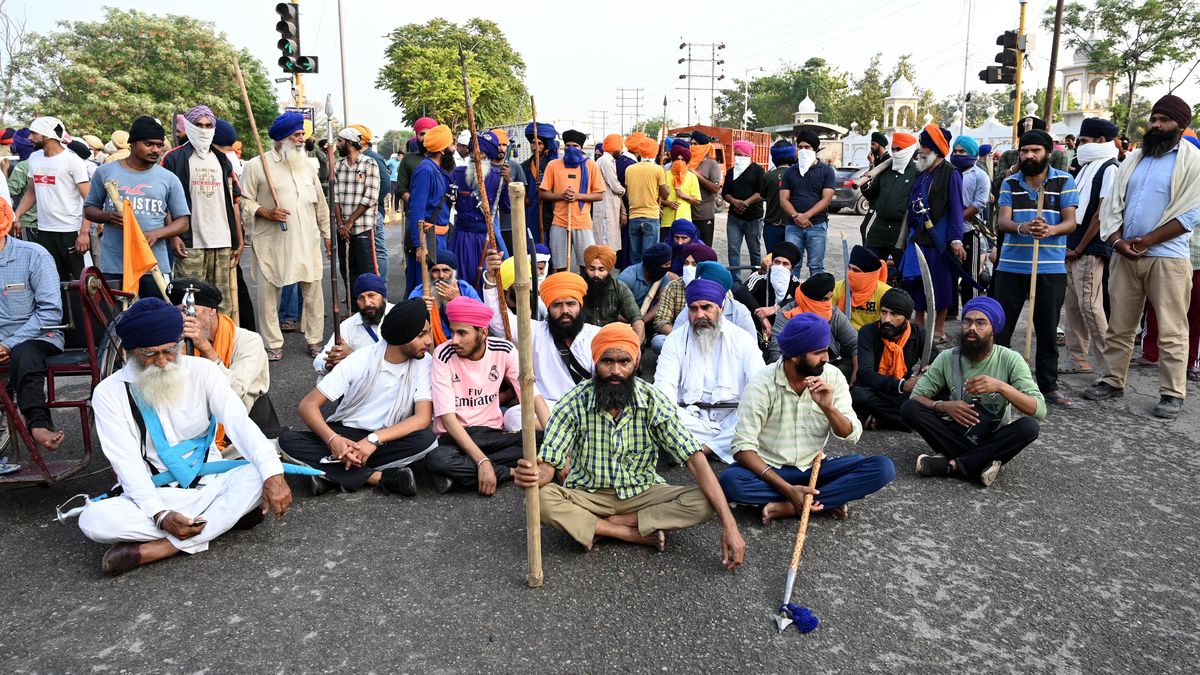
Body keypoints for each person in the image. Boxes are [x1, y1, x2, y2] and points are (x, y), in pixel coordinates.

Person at [77, 298, 293, 575]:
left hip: (212, 485)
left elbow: (240, 424)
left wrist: (273, 475)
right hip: (156, 495)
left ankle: (159, 549)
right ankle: (219, 523)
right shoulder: (108, 393)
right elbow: (126, 464)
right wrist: (161, 515)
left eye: (169, 350)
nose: (163, 362)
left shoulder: (203, 372)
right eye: (150, 354)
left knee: (258, 474)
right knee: (94, 520)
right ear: (129, 351)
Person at [513, 322, 745, 566]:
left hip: (641, 492)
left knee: (709, 501)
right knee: (537, 498)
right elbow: (551, 462)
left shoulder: (653, 400)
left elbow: (694, 459)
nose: (615, 371)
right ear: (595, 362)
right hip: (587, 493)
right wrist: (533, 476)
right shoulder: (573, 401)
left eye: (623, 362)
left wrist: (730, 525)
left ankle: (609, 524)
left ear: (635, 363)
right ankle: (627, 532)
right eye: (607, 362)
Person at [1084, 95, 1200, 419]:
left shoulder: (1193, 161)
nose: (1156, 125)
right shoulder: (1135, 158)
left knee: (1172, 328)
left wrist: (1148, 240)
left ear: (1181, 125)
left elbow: (1192, 213)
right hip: (1126, 255)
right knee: (1120, 325)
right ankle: (1111, 380)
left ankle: (1172, 393)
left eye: (1164, 120)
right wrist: (1118, 241)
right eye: (1154, 119)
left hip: (1168, 257)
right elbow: (1113, 206)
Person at [720, 312, 894, 521]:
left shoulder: (832, 376)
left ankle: (791, 507)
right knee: (731, 481)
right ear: (794, 355)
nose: (826, 358)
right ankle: (822, 499)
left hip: (815, 469)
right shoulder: (761, 384)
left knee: (882, 468)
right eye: (818, 352)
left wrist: (829, 408)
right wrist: (787, 489)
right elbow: (742, 448)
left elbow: (851, 434)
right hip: (772, 470)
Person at [282, 299, 439, 496]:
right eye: (421, 335)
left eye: (428, 332)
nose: (429, 341)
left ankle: (331, 474)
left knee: (426, 440)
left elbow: (422, 418)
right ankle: (377, 477)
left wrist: (373, 440)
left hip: (387, 438)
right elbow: (308, 405)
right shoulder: (361, 359)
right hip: (346, 435)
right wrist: (333, 440)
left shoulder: (424, 362)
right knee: (287, 440)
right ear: (401, 336)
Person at [902, 296, 1046, 487]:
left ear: (993, 329)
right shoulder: (947, 357)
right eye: (967, 322)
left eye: (980, 323)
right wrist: (944, 406)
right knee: (909, 408)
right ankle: (979, 463)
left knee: (1029, 427)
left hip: (992, 434)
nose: (972, 328)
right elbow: (917, 396)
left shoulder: (1010, 359)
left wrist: (1001, 387)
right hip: (955, 431)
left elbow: (1039, 409)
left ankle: (951, 465)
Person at [425, 296, 548, 494]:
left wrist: (558, 448)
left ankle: (461, 476)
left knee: (542, 441)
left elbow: (531, 396)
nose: (454, 339)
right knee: (437, 459)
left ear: (483, 333)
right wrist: (482, 461)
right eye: (453, 331)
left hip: (492, 434)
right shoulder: (443, 354)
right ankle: (510, 473)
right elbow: (447, 419)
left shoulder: (505, 350)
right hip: (455, 437)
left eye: (462, 333)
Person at [994, 128, 1079, 407]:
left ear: (1047, 153)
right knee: (1001, 329)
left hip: (1050, 268)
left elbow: (1071, 222)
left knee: (1046, 329)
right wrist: (1023, 227)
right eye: (1024, 151)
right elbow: (1003, 221)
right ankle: (996, 381)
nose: (1029, 155)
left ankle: (1048, 385)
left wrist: (1050, 230)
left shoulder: (1064, 180)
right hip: (1011, 267)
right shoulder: (1010, 182)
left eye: (1035, 151)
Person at [240, 112, 331, 361]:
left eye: (302, 134)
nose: (302, 139)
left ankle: (314, 340)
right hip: (272, 241)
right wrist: (265, 212)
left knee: (313, 291)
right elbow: (244, 201)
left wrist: (327, 235)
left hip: (307, 240)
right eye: (297, 134)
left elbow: (320, 204)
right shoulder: (256, 165)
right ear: (282, 138)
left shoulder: (308, 166)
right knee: (269, 293)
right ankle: (272, 343)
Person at [654, 274, 763, 463]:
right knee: (658, 408)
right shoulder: (675, 339)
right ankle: (722, 446)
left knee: (758, 418)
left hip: (732, 416)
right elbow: (664, 386)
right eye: (693, 309)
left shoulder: (742, 339)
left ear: (720, 308)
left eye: (706, 307)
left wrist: (748, 417)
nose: (700, 315)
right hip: (688, 417)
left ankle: (699, 450)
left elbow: (760, 386)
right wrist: (670, 416)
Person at [82, 116, 190, 300]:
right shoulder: (106, 172)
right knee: (118, 322)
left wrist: (158, 233)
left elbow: (183, 222)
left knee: (155, 320)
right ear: (132, 143)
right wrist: (108, 216)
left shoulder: (168, 178)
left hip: (153, 265)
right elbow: (89, 209)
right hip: (116, 265)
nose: (155, 150)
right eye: (149, 144)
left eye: (159, 145)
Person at [166, 277, 274, 449]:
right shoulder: (179, 344)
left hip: (245, 420)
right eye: (179, 312)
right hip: (196, 422)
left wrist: (205, 348)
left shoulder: (248, 341)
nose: (185, 318)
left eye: (191, 312)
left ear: (211, 310)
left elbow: (235, 392)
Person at [160, 105, 243, 318]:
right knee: (190, 302)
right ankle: (190, 348)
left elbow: (234, 201)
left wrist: (238, 240)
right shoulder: (173, 158)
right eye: (199, 125)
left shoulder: (223, 160)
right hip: (190, 242)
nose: (204, 130)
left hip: (222, 241)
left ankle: (222, 347)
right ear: (188, 126)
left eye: (208, 126)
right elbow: (165, 200)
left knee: (222, 303)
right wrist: (173, 235)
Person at [0, 199, 66, 451]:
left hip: (38, 335)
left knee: (24, 355)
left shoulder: (34, 255)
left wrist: (7, 343)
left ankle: (38, 423)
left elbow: (49, 313)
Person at [500, 272, 600, 432]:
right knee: (512, 416)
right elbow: (501, 321)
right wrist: (492, 282)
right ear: (548, 307)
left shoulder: (597, 335)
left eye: (570, 304)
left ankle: (559, 431)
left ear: (580, 306)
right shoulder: (534, 331)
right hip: (547, 406)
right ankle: (571, 431)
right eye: (557, 305)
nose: (564, 310)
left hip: (585, 407)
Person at [1061, 118, 1120, 375]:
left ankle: (1110, 368)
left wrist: (1080, 248)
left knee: (1090, 307)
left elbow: (1101, 213)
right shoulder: (1086, 168)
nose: (1079, 147)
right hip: (1075, 246)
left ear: (1100, 141)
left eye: (1084, 142)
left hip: (1090, 248)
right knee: (1073, 306)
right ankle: (1078, 359)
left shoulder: (1109, 168)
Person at [900, 124, 967, 346]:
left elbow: (957, 208)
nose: (921, 150)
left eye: (925, 146)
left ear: (936, 148)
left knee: (942, 283)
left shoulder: (951, 174)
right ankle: (918, 324)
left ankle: (938, 327)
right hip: (918, 238)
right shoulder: (922, 174)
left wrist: (956, 239)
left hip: (940, 240)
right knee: (916, 282)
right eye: (921, 145)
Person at [12, 117, 89, 280]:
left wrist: (84, 233)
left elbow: (89, 200)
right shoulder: (34, 158)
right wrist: (16, 216)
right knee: (50, 278)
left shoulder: (72, 161)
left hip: (70, 231)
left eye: (34, 133)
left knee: (78, 280)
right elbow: (32, 192)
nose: (30, 138)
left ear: (47, 136)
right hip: (44, 230)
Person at [850, 288, 929, 430]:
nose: (886, 319)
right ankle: (907, 422)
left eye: (894, 314)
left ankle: (881, 419)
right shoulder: (868, 332)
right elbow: (866, 374)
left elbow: (938, 362)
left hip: (902, 393)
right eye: (884, 312)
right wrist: (901, 385)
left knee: (934, 395)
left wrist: (929, 371)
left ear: (906, 318)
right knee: (858, 396)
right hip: (874, 388)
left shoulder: (919, 335)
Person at [769, 272, 858, 378]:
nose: (827, 304)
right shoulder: (787, 314)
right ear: (810, 299)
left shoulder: (833, 313)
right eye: (824, 299)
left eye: (830, 298)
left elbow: (855, 343)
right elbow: (776, 351)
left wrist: (856, 374)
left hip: (825, 368)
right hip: (795, 369)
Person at [539, 129, 604, 272]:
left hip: (583, 223)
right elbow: (543, 193)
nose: (571, 148)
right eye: (568, 145)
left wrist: (578, 196)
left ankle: (585, 293)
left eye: (575, 146)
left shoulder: (590, 165)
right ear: (563, 146)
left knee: (587, 265)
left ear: (581, 148)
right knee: (560, 266)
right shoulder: (553, 165)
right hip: (559, 222)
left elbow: (599, 195)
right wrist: (562, 196)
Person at [449, 131, 509, 288]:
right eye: (473, 151)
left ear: (488, 155)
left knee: (489, 280)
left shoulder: (498, 177)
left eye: (481, 152)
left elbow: (507, 208)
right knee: (462, 279)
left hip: (486, 238)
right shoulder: (456, 174)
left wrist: (508, 183)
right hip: (461, 238)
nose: (476, 156)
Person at [404, 123, 453, 295]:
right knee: (424, 291)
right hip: (427, 240)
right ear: (442, 150)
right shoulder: (425, 171)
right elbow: (416, 209)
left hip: (438, 238)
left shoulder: (437, 170)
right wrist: (419, 245)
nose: (453, 148)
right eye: (450, 146)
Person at [779, 130, 835, 275]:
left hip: (816, 225)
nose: (803, 150)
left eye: (807, 147)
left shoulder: (826, 171)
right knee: (791, 265)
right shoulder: (790, 172)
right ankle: (792, 296)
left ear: (815, 149)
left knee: (816, 266)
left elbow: (826, 199)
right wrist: (796, 216)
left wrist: (806, 216)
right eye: (800, 147)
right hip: (793, 225)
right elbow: (783, 199)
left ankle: (814, 297)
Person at [314, 272, 394, 375]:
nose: (367, 303)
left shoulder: (401, 315)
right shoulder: (348, 325)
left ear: (383, 296)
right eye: (361, 298)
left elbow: (399, 358)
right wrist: (329, 364)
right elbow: (319, 361)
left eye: (371, 295)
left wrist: (352, 356)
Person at [333, 127, 381, 281]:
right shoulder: (339, 166)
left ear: (350, 142)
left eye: (340, 141)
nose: (337, 144)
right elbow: (335, 198)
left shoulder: (369, 163)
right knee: (347, 272)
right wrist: (341, 225)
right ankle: (352, 305)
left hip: (363, 228)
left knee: (367, 274)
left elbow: (370, 197)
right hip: (343, 231)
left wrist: (349, 222)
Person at [407, 248, 481, 342]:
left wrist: (458, 300)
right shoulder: (419, 292)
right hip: (430, 344)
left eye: (446, 270)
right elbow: (407, 324)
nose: (441, 276)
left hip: (464, 342)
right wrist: (419, 310)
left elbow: (483, 317)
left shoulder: (464, 289)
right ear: (429, 273)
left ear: (453, 273)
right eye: (435, 271)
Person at [350, 125, 392, 286]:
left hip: (373, 213)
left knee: (378, 251)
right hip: (358, 215)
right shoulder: (355, 159)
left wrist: (370, 205)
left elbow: (386, 184)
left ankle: (381, 289)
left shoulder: (372, 157)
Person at [580, 244, 644, 339]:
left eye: (601, 270)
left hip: (610, 338)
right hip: (582, 338)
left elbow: (636, 319)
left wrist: (636, 346)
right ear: (586, 268)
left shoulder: (620, 288)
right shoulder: (577, 286)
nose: (596, 274)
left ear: (609, 269)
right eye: (592, 269)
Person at [723, 139, 765, 277]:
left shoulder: (758, 170)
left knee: (754, 250)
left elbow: (762, 193)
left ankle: (757, 277)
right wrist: (735, 202)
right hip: (734, 217)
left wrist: (745, 203)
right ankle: (735, 280)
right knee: (733, 249)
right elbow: (725, 193)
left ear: (749, 155)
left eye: (742, 154)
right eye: (736, 154)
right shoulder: (730, 172)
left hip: (753, 218)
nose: (739, 157)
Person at [625, 134, 670, 263]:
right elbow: (665, 195)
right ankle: (647, 282)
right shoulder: (658, 169)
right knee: (649, 257)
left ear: (640, 151)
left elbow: (628, 194)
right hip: (651, 216)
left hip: (633, 216)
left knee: (635, 257)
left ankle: (635, 281)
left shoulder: (630, 169)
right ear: (655, 152)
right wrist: (664, 184)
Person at [744, 241, 802, 332]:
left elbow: (802, 299)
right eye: (777, 262)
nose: (780, 267)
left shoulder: (796, 284)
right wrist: (761, 317)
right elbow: (742, 292)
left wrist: (775, 308)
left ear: (792, 269)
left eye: (785, 264)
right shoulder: (762, 278)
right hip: (759, 330)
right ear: (771, 264)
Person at [832, 245, 892, 330]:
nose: (850, 273)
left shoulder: (886, 293)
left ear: (869, 275)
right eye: (849, 268)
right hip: (842, 336)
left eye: (856, 270)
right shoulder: (837, 288)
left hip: (872, 338)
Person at [490, 128, 528, 254]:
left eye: (504, 145)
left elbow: (523, 197)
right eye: (498, 145)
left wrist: (508, 181)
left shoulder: (515, 167)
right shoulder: (483, 168)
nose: (501, 148)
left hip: (510, 225)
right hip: (489, 225)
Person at [520, 122, 557, 245]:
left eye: (539, 143)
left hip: (547, 209)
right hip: (530, 211)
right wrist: (524, 196)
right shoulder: (524, 166)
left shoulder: (552, 165)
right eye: (533, 143)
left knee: (547, 243)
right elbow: (519, 186)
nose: (535, 147)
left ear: (545, 146)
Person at [687, 131, 724, 246]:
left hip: (704, 215)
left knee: (703, 248)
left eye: (695, 144)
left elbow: (715, 189)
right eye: (691, 144)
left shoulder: (712, 164)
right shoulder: (687, 162)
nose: (692, 147)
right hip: (687, 214)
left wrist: (697, 175)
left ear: (703, 146)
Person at [592, 134, 626, 251]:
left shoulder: (608, 161)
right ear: (615, 148)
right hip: (606, 209)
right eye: (621, 147)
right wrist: (623, 190)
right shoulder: (605, 161)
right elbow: (615, 186)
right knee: (606, 245)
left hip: (609, 208)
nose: (622, 150)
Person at [396, 117, 438, 210]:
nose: (426, 137)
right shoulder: (409, 158)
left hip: (439, 215)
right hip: (414, 213)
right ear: (417, 135)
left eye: (430, 133)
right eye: (422, 134)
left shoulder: (444, 158)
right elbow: (401, 188)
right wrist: (417, 204)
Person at [762, 141, 797, 251]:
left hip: (772, 224)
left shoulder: (768, 176)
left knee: (772, 257)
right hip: (792, 224)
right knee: (790, 259)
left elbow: (763, 196)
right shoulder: (797, 175)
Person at [661, 140, 701, 236]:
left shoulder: (692, 177)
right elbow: (656, 197)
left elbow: (697, 201)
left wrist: (683, 195)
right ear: (673, 160)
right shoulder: (664, 175)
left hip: (684, 221)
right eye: (677, 159)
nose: (679, 161)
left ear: (686, 161)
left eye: (682, 159)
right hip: (666, 222)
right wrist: (667, 203)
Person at [618, 241, 674, 309]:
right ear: (655, 266)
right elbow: (611, 306)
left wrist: (644, 319)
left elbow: (662, 303)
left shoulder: (663, 277)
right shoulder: (627, 278)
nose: (669, 267)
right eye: (666, 265)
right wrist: (632, 319)